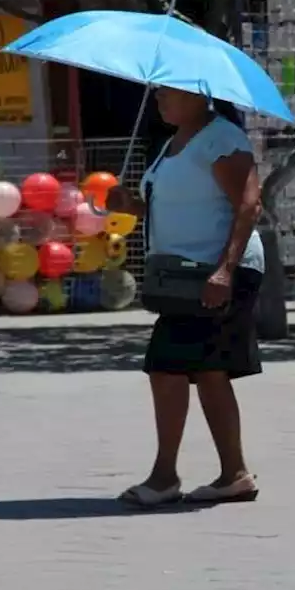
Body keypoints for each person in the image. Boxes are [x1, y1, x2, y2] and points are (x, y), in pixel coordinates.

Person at [107, 91, 266, 508]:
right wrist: (132, 206)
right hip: (183, 275)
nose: (160, 97)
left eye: (171, 90)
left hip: (215, 271)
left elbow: (249, 206)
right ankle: (234, 475)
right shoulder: (174, 143)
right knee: (208, 370)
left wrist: (224, 271)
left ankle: (164, 477)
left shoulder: (222, 138)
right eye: (158, 89)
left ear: (199, 92)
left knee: (165, 365)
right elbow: (176, 205)